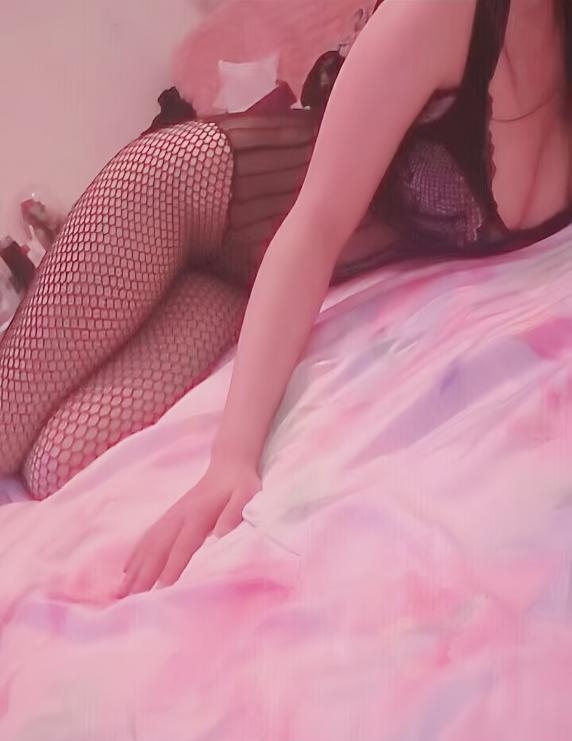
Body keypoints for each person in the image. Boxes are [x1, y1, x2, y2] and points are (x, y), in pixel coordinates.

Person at [1, 0, 571, 591]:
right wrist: (233, 458)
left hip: (241, 283)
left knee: (56, 461)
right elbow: (314, 227)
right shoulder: (438, 14)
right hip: (189, 197)